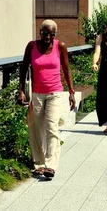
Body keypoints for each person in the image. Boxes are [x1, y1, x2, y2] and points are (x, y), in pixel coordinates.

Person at [18, 20, 75, 179]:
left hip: (55, 93)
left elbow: (66, 69)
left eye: (52, 34)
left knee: (51, 127)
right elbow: (23, 68)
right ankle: (39, 164)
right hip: (36, 94)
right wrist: (21, 90)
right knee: (35, 129)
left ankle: (50, 166)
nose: (48, 37)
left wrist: (71, 92)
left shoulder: (60, 46)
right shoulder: (31, 46)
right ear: (40, 32)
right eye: (45, 33)